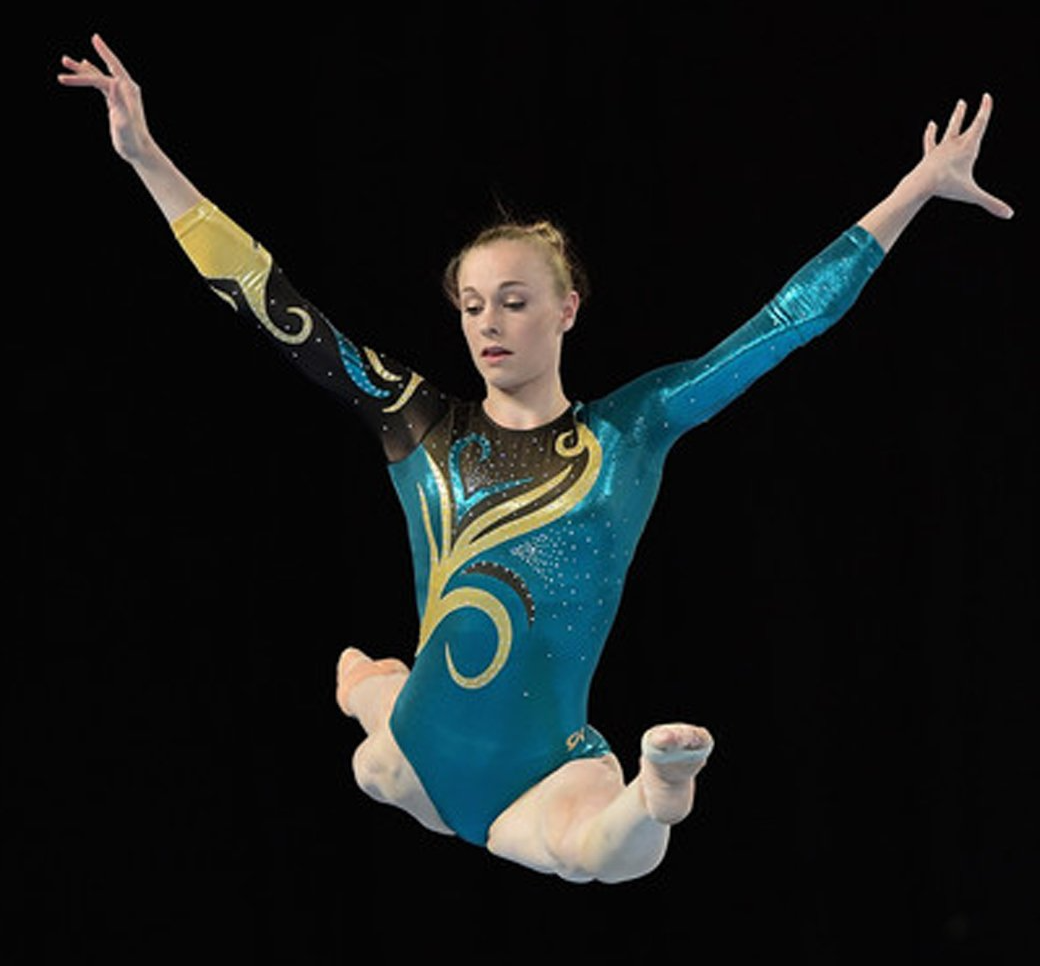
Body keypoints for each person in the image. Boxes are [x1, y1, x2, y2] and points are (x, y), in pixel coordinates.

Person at [59, 34, 1012, 883]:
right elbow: (271, 301)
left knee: (593, 854)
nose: (489, 324)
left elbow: (782, 325)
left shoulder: (628, 432)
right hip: (421, 758)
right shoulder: (420, 425)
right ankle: (367, 688)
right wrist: (147, 158)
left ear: (567, 308)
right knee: (376, 758)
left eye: (514, 302)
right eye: (473, 306)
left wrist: (914, 190)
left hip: (542, 773)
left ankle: (659, 789)